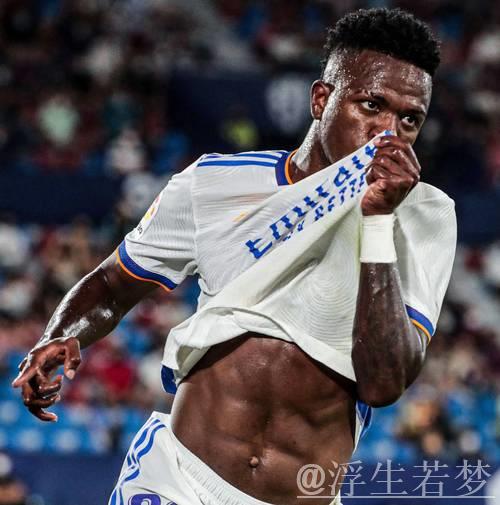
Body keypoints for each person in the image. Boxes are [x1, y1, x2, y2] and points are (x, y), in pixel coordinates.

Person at [12, 8, 457, 505]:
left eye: (409, 119)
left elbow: (384, 383)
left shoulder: (425, 217)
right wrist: (61, 334)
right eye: (371, 105)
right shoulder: (215, 184)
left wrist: (377, 222)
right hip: (177, 479)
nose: (388, 133)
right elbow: (114, 284)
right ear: (321, 99)